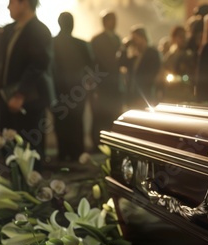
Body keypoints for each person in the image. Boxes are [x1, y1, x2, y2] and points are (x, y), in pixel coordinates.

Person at [0, 0, 55, 164]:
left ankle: (29, 186)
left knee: (30, 149)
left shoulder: (39, 30)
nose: (8, 6)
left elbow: (38, 65)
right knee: (10, 148)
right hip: (7, 97)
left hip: (28, 100)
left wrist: (20, 94)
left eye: (11, 2)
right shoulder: (11, 29)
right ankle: (13, 185)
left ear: (24, 4)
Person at [52, 12, 93, 162]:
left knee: (61, 122)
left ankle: (63, 152)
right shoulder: (82, 44)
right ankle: (77, 153)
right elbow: (91, 67)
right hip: (78, 91)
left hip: (58, 90)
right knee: (76, 122)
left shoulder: (52, 43)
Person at [90, 11, 123, 148]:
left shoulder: (117, 38)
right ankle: (98, 142)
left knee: (114, 114)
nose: (115, 23)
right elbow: (93, 62)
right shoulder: (97, 40)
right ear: (105, 22)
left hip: (115, 84)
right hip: (102, 84)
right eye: (112, 20)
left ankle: (112, 141)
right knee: (100, 115)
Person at [119, 25, 161, 109]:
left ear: (143, 37)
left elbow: (152, 75)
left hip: (145, 96)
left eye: (135, 38)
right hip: (132, 96)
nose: (133, 42)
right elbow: (121, 62)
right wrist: (124, 47)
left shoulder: (152, 53)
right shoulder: (134, 57)